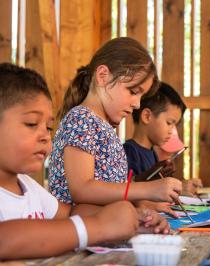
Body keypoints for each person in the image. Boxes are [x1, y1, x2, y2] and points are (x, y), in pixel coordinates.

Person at [0, 63, 147, 260]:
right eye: (32, 124)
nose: (45, 135)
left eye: (49, 128)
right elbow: (6, 240)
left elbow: (71, 213)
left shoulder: (28, 187)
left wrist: (131, 218)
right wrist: (99, 226)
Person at [48, 37, 182, 207]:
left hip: (102, 225)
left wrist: (146, 206)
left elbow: (112, 188)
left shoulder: (102, 126)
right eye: (133, 91)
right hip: (78, 229)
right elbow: (82, 189)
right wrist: (148, 189)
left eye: (141, 96)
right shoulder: (81, 119)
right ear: (103, 76)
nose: (137, 104)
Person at [124, 82, 202, 196]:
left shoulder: (153, 154)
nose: (172, 130)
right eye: (169, 123)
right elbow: (126, 191)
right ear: (147, 116)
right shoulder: (129, 152)